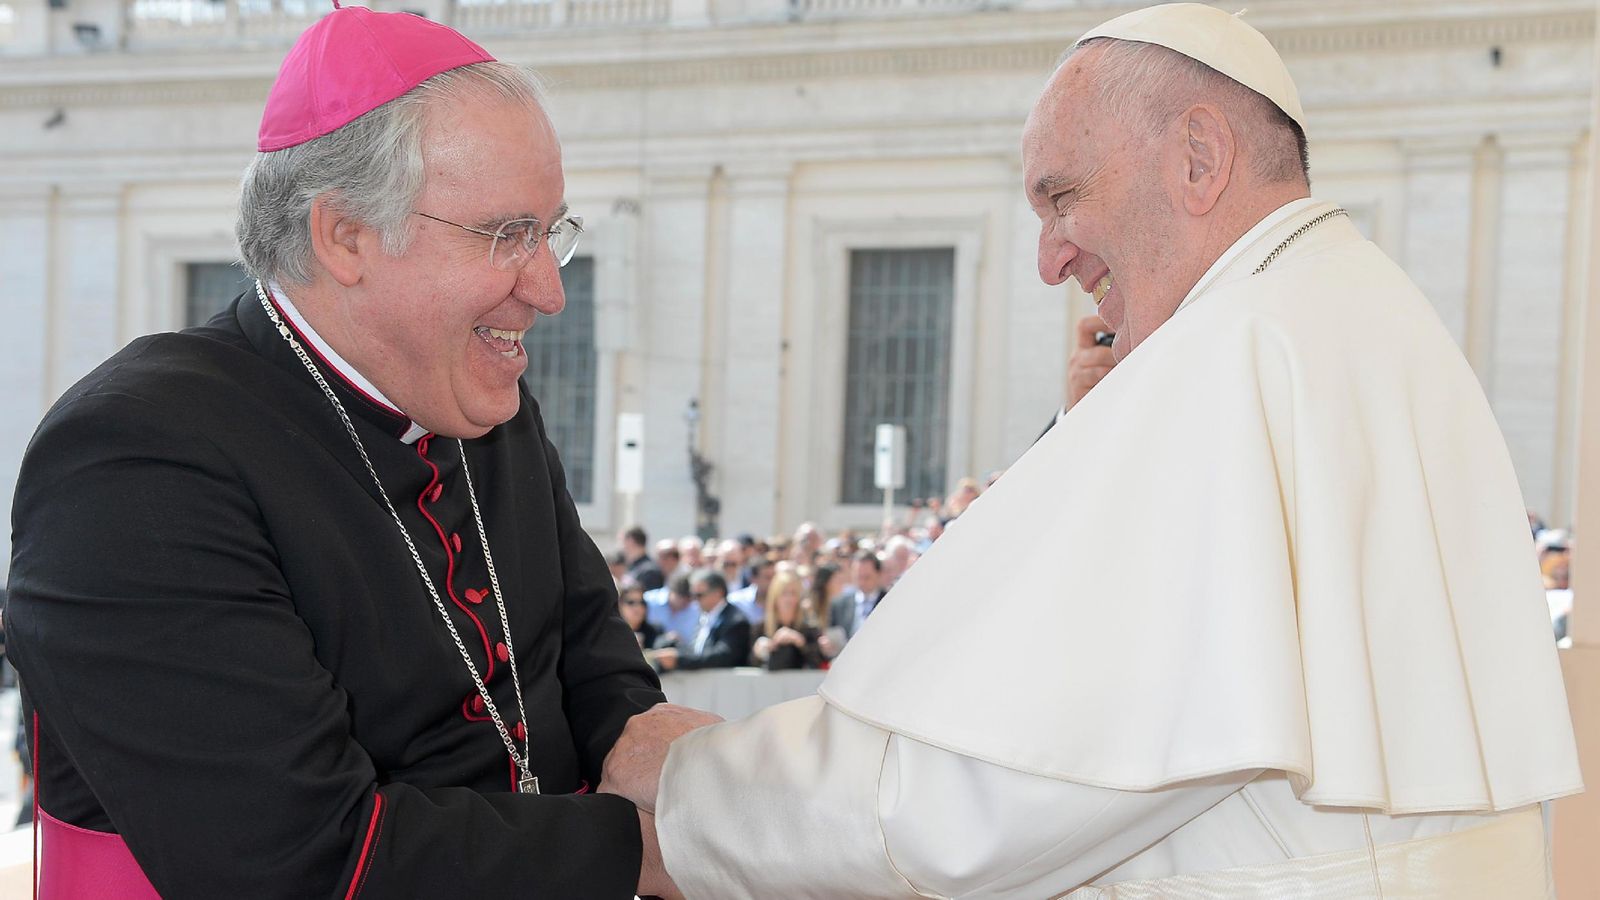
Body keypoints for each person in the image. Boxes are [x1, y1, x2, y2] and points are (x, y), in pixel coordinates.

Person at [599, 5, 1582, 896]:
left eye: (1062, 196)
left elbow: (987, 800)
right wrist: (1097, 435)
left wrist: (696, 794)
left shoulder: (1234, 353)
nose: (1049, 258)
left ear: (1198, 158)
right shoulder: (1355, 309)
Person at [5, 7, 718, 897]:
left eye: (550, 231)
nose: (547, 288)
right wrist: (651, 852)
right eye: (506, 235)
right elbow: (292, 858)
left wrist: (672, 763)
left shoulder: (478, 400)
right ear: (344, 237)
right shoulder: (134, 462)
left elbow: (588, 656)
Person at [653, 572, 750, 672]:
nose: (694, 600)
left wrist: (680, 660)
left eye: (699, 595)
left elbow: (722, 657)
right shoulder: (705, 616)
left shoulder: (735, 621)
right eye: (692, 595)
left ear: (718, 593)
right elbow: (697, 651)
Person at [749, 570, 826, 671]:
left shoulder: (809, 629)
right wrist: (759, 651)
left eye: (793, 593)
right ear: (775, 597)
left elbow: (818, 663)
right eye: (784, 593)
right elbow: (749, 665)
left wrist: (801, 642)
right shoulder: (760, 628)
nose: (788, 599)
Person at [827, 551, 886, 647]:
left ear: (878, 574)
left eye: (867, 577)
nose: (862, 582)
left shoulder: (889, 602)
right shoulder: (839, 605)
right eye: (858, 577)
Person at [618, 525, 665, 592]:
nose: (621, 547)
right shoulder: (631, 566)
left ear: (631, 541)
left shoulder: (650, 571)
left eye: (622, 541)